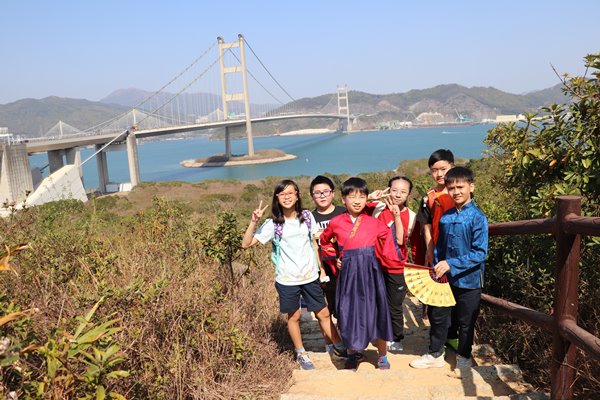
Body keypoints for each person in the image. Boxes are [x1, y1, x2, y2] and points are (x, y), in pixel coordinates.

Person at [242, 179, 346, 370]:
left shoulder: (307, 216)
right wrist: (253, 221)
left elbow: (314, 243)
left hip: (310, 276)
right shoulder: (272, 224)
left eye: (290, 193)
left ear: (297, 195)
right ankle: (301, 353)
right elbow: (246, 244)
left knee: (323, 313)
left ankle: (339, 347)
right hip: (287, 279)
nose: (287, 197)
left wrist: (321, 269)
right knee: (294, 316)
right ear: (277, 198)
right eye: (282, 194)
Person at [409, 167, 488, 370]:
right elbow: (439, 248)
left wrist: (451, 264)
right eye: (451, 188)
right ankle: (435, 353)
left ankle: (464, 356)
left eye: (460, 187)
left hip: (470, 280)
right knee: (438, 315)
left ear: (471, 187)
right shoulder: (445, 218)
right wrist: (437, 269)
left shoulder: (478, 217)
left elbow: (480, 252)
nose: (456, 192)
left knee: (466, 320)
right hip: (445, 278)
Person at [320, 177, 396, 370]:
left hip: (370, 272)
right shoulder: (336, 222)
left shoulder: (374, 223)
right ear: (343, 199)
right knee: (349, 312)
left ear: (366, 199)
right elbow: (324, 241)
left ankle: (382, 355)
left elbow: (389, 241)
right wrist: (335, 259)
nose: (357, 201)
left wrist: (392, 261)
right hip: (348, 274)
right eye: (352, 196)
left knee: (376, 310)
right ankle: (353, 353)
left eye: (362, 196)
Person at [366, 176, 423, 352]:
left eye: (403, 191)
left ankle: (396, 338)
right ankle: (379, 334)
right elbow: (354, 209)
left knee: (395, 305)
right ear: (387, 190)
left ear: (409, 194)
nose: (398, 194)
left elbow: (412, 244)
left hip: (397, 268)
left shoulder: (412, 216)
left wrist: (418, 268)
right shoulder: (377, 208)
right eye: (394, 190)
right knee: (375, 302)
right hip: (376, 264)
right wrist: (369, 197)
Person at [418, 149, 457, 347]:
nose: (439, 174)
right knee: (437, 299)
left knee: (457, 296)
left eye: (443, 169)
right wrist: (429, 250)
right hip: (437, 252)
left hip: (458, 253)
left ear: (452, 166)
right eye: (434, 170)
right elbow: (426, 226)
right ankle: (437, 344)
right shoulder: (429, 197)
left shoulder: (460, 191)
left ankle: (452, 338)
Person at [309, 175, 347, 356]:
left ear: (333, 193)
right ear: (312, 196)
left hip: (342, 268)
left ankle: (342, 340)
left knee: (342, 308)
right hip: (320, 270)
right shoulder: (309, 217)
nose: (322, 196)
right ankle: (329, 344)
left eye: (325, 191)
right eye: (317, 193)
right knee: (324, 311)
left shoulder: (343, 212)